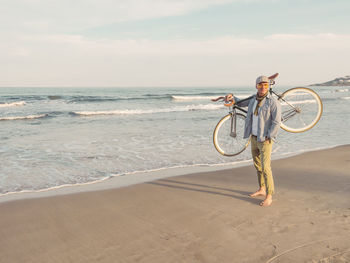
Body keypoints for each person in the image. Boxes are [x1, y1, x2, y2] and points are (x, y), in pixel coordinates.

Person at [234, 75, 281, 207]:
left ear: (269, 86)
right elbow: (240, 102)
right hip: (253, 137)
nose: (263, 87)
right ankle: (261, 188)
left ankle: (269, 196)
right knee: (257, 165)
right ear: (256, 86)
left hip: (265, 139)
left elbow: (277, 122)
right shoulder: (253, 99)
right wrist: (232, 98)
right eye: (260, 85)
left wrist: (269, 136)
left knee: (266, 167)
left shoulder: (272, 101)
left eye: (265, 85)